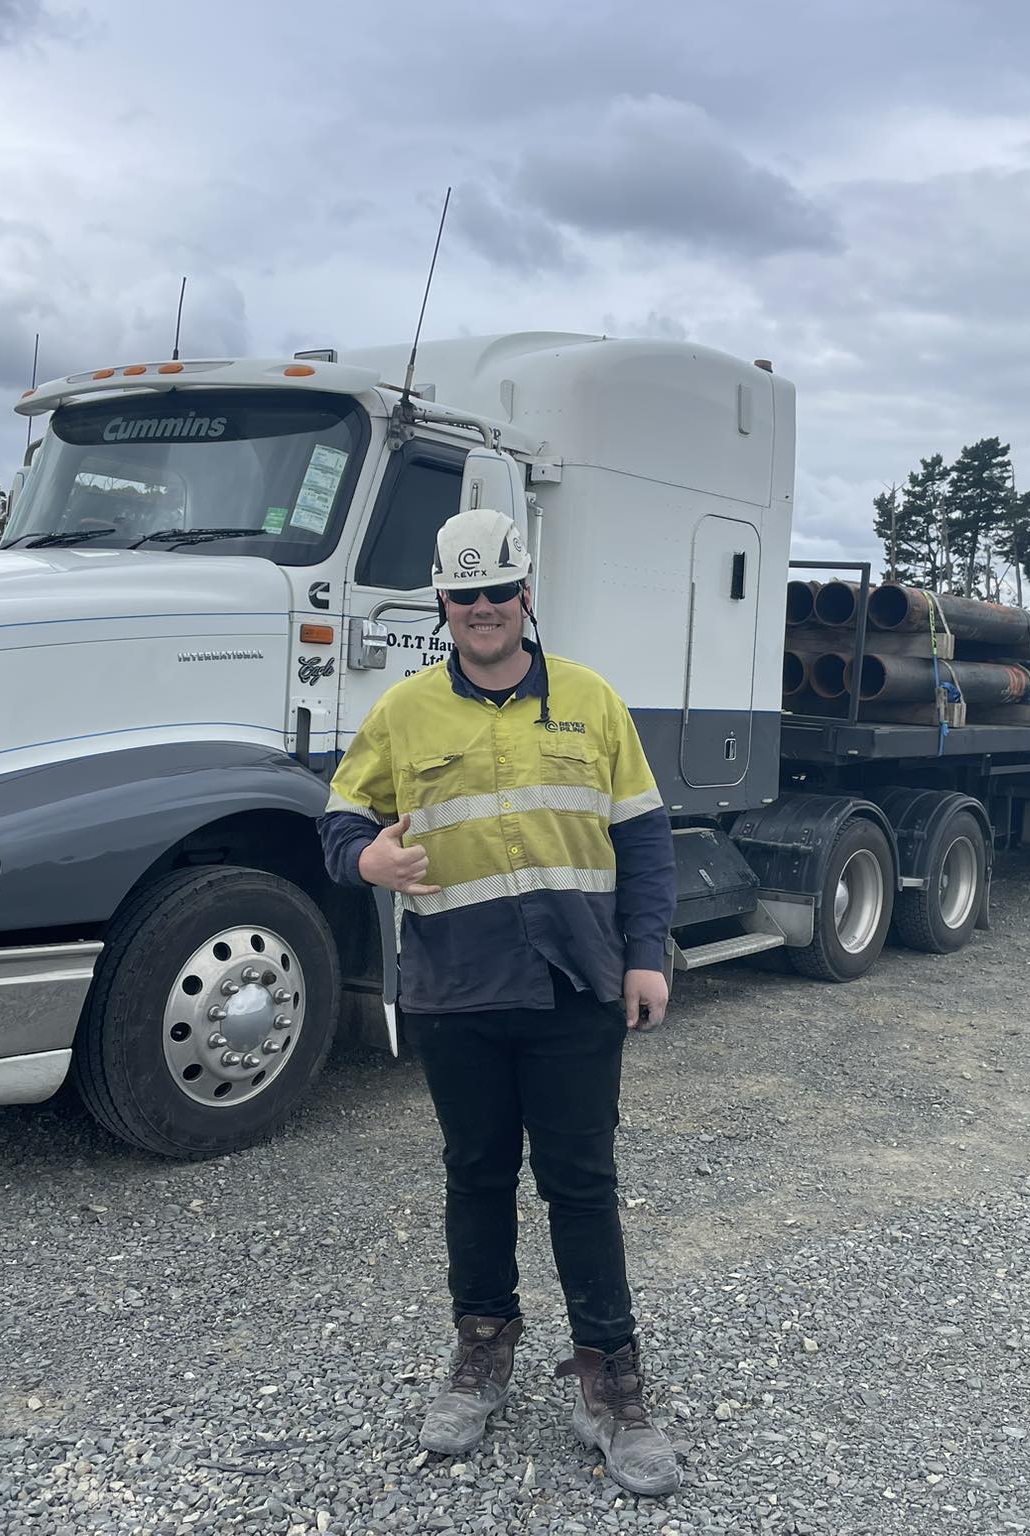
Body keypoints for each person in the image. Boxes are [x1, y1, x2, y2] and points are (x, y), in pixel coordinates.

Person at [318, 507, 681, 1497]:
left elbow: (643, 841)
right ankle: (481, 1352)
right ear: (442, 602)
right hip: (456, 992)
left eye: (496, 591)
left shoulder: (593, 704)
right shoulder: (401, 714)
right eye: (462, 593)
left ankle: (610, 1383)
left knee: (581, 1184)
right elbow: (339, 822)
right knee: (475, 1176)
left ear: (526, 596)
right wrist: (366, 858)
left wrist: (643, 957)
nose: (481, 609)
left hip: (573, 988)